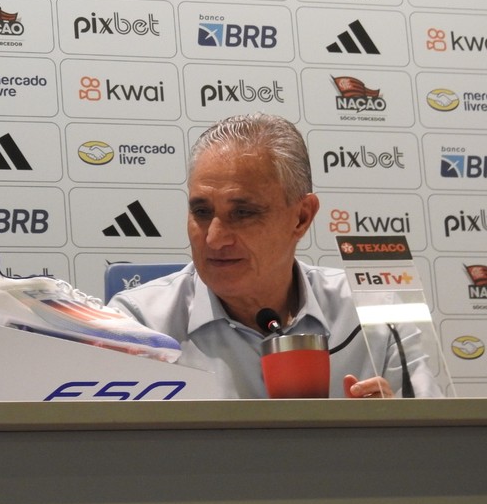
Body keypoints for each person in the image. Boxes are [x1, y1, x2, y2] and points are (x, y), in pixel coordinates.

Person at [109, 114, 444, 399]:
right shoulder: (137, 324)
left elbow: (437, 448)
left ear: (301, 217)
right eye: (201, 211)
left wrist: (394, 430)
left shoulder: (375, 316)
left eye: (242, 213)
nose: (214, 238)